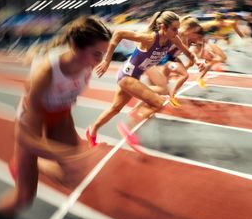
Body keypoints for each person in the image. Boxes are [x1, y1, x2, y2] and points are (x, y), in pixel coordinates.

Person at [0, 16, 112, 217]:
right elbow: (26, 137)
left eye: (104, 54)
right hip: (33, 119)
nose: (102, 61)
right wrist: (68, 154)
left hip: (60, 114)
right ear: (75, 47)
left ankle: (36, 163)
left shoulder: (86, 65)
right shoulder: (44, 73)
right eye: (97, 54)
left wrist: (74, 157)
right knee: (23, 199)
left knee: (73, 177)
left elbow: (65, 103)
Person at [86, 11, 204, 152]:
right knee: (158, 102)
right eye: (174, 29)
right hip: (126, 76)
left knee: (115, 108)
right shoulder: (149, 39)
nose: (177, 32)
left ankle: (91, 131)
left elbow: (188, 53)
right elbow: (119, 33)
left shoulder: (173, 39)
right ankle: (129, 126)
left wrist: (197, 61)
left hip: (133, 77)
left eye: (178, 28)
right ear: (162, 27)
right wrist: (107, 60)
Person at [140, 16, 205, 107]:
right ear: (189, 29)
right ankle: (170, 96)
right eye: (194, 32)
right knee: (183, 76)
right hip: (163, 59)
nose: (194, 35)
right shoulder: (176, 34)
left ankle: (145, 98)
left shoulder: (185, 38)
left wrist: (194, 60)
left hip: (170, 59)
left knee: (161, 86)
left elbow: (187, 53)